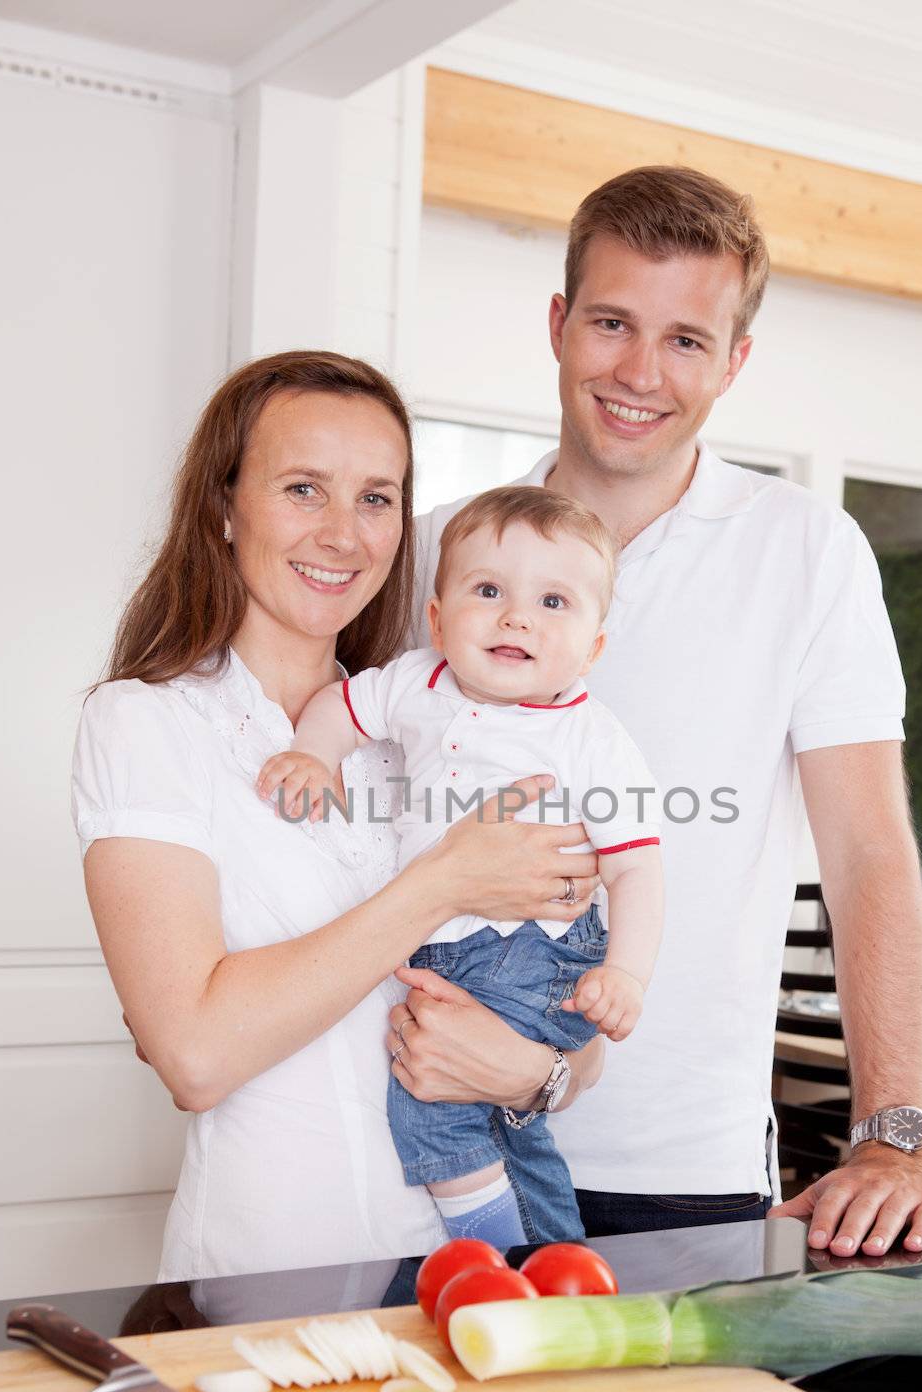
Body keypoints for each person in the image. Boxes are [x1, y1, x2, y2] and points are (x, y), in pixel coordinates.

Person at [395, 165, 922, 1258]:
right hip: (432, 1133)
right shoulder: (431, 546)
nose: (639, 372)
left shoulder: (805, 550)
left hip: (680, 1168)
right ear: (558, 326)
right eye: (610, 323)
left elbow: (867, 852)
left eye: (685, 340)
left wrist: (893, 1130)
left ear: (733, 361)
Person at [71, 351, 605, 1279]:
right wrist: (443, 883)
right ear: (223, 505)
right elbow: (195, 1054)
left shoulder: (430, 732)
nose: (345, 535)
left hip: (468, 1270)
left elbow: (573, 1016)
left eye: (376, 498)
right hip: (269, 1276)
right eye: (304, 489)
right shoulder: (145, 723)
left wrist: (530, 1073)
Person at [256, 484, 663, 1249]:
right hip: (437, 943)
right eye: (487, 591)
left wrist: (627, 974)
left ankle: (511, 1256)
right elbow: (340, 711)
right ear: (438, 619)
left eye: (553, 602)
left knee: (431, 1103)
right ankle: (545, 1265)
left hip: (532, 949)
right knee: (477, 1112)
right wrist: (313, 756)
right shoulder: (416, 682)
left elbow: (636, 868)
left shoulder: (588, 737)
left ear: (593, 646)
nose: (516, 617)